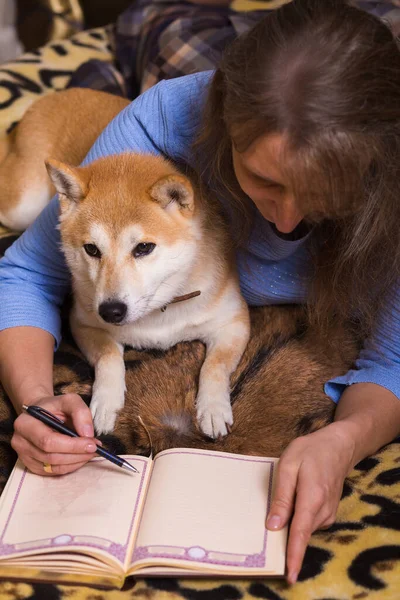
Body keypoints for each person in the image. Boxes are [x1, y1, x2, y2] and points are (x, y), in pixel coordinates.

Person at [0, 0, 400, 585]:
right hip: (175, 67)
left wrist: (343, 440)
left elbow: (392, 360)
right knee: (163, 27)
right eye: (263, 180)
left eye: (321, 194)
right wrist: (35, 398)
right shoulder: (164, 117)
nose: (287, 220)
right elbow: (28, 273)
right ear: (222, 132)